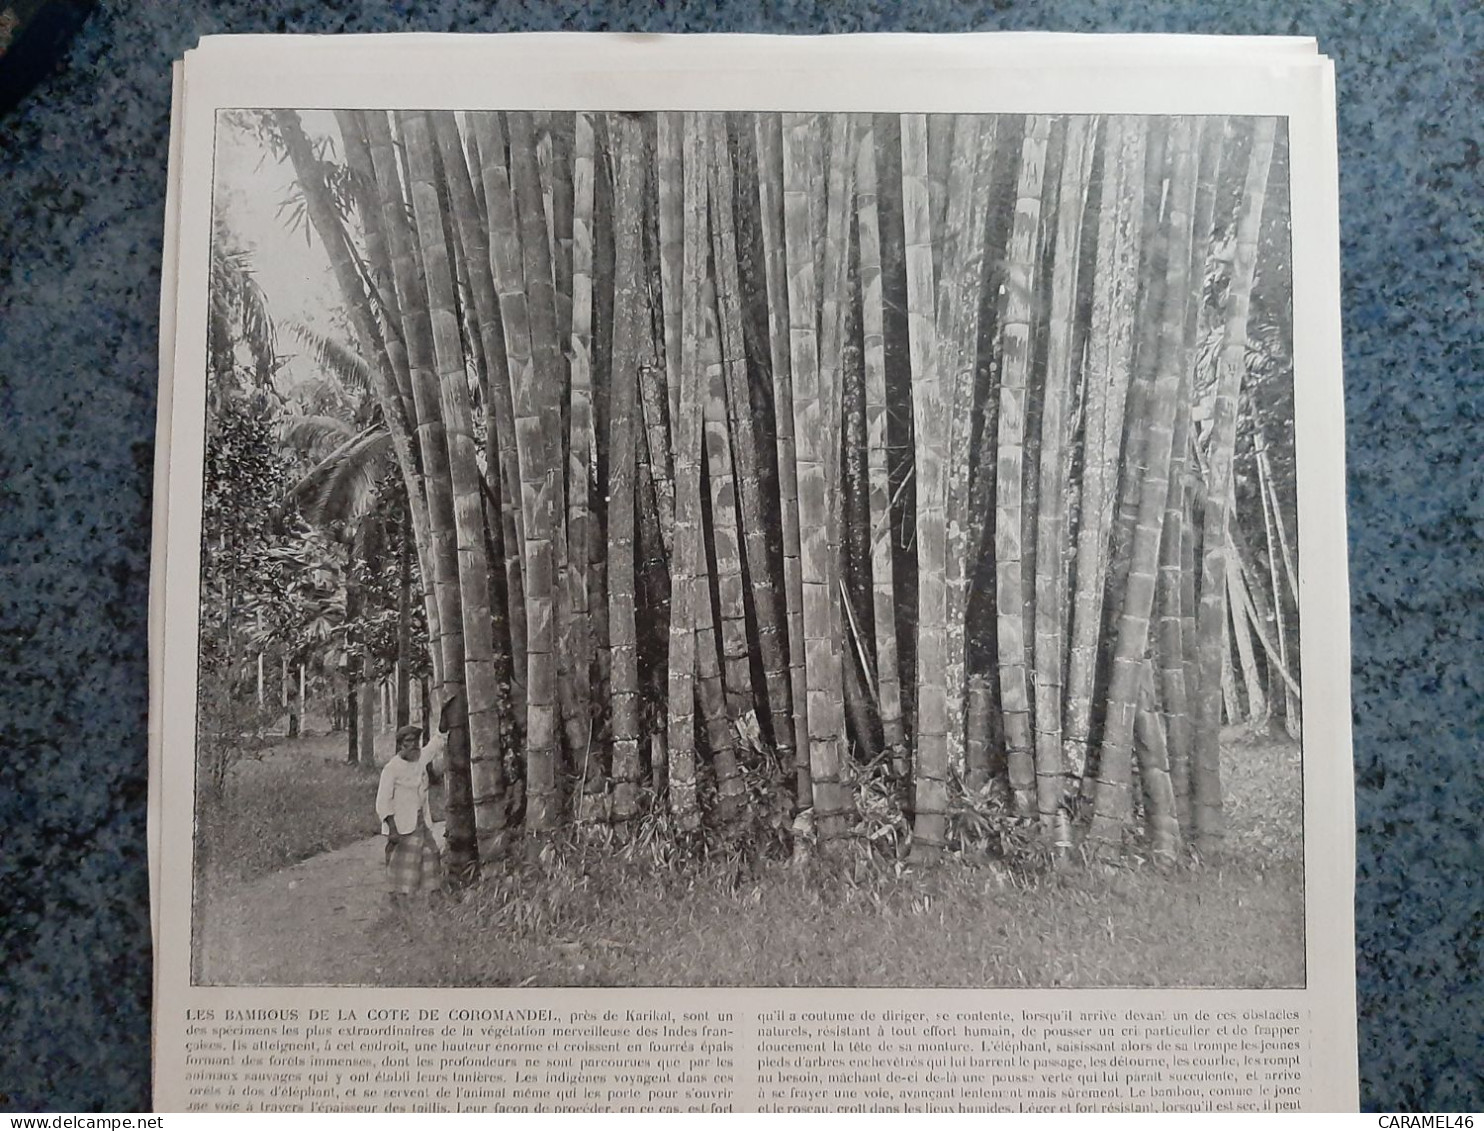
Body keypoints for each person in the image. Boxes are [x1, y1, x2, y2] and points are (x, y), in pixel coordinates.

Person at [375, 724, 441, 907]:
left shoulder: (419, 760)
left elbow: (435, 744)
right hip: (401, 826)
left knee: (430, 855)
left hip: (421, 822)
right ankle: (398, 904)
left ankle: (431, 901)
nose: (414, 746)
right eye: (408, 742)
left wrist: (444, 722)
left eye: (416, 742)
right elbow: (383, 801)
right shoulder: (392, 768)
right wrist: (392, 830)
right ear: (400, 745)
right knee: (401, 866)